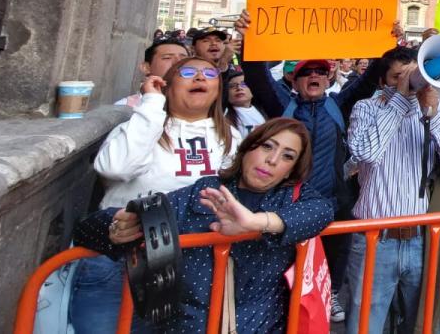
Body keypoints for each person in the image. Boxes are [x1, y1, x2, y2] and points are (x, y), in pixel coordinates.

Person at [74, 118, 332, 333]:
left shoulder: (294, 199)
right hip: (189, 325)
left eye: (287, 156)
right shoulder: (205, 191)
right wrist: (117, 227)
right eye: (267, 146)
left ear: (290, 171)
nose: (273, 160)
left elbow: (321, 212)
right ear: (247, 149)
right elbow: (91, 227)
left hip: (259, 325)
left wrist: (255, 223)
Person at [71, 56, 241, 333]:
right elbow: (116, 167)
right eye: (188, 72)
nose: (199, 77)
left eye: (209, 73)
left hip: (194, 264)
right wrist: (151, 105)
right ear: (168, 86)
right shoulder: (141, 124)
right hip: (123, 262)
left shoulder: (232, 137)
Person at [234, 10, 369, 323]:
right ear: (295, 79)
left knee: (336, 249)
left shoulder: (338, 105)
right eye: (308, 72)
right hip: (290, 201)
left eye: (321, 72)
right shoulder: (283, 104)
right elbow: (257, 76)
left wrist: (389, 43)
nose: (315, 77)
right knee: (288, 257)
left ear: (328, 78)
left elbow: (368, 82)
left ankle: (330, 293)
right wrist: (249, 40)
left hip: (334, 199)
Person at [344, 47, 440, 334]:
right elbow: (365, 153)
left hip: (419, 240)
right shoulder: (366, 108)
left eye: (413, 73)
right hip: (375, 240)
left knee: (420, 323)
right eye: (399, 76)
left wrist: (434, 114)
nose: (411, 80)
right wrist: (400, 99)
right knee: (365, 324)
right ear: (383, 82)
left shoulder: (431, 110)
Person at [114, 37, 191, 107]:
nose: (178, 62)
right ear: (146, 68)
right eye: (167, 58)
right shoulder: (125, 107)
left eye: (184, 59)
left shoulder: (200, 105)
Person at [225, 70, 266, 138]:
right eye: (232, 86)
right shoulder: (223, 114)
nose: (239, 88)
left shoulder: (266, 110)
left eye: (244, 84)